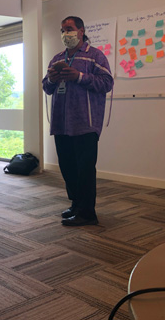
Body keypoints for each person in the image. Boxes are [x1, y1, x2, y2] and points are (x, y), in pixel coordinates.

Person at [42, 16, 114, 227]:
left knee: (84, 168)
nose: (66, 34)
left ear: (81, 31)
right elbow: (46, 87)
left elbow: (107, 83)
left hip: (85, 123)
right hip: (61, 123)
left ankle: (88, 213)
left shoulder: (95, 56)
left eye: (70, 29)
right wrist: (52, 79)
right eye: (63, 30)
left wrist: (79, 76)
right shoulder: (56, 58)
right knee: (67, 167)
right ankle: (76, 205)